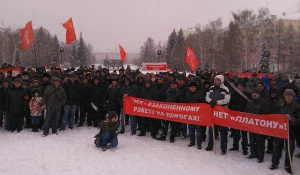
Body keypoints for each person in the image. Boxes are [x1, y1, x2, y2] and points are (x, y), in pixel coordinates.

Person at [270, 89, 300, 174]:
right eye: (287, 95)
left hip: (291, 130)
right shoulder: (279, 104)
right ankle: (275, 163)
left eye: (290, 95)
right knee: (277, 147)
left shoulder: (297, 106)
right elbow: (273, 114)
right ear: (284, 96)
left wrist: (291, 118)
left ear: (293, 97)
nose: (288, 97)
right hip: (280, 129)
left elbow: (299, 120)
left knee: (289, 148)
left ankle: (288, 165)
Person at [205, 75, 231, 155]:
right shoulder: (211, 88)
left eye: (218, 80)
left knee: (223, 131)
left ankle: (223, 148)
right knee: (211, 129)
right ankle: (210, 145)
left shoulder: (225, 89)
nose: (216, 82)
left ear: (221, 81)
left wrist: (217, 102)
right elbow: (207, 97)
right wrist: (211, 101)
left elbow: (227, 100)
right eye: (215, 80)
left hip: (221, 112)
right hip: (212, 111)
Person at [246, 88, 268, 163]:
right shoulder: (249, 101)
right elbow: (247, 112)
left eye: (256, 93)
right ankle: (253, 153)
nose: (254, 94)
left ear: (259, 94)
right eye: (253, 93)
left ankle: (260, 156)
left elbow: (266, 115)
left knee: (260, 141)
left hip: (260, 126)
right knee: (252, 140)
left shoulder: (263, 103)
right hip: (251, 125)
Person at [228, 80, 249, 155]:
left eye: (241, 86)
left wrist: (245, 112)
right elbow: (231, 103)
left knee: (244, 134)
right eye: (238, 86)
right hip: (235, 115)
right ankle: (235, 145)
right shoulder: (234, 93)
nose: (239, 87)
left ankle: (244, 148)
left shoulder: (246, 94)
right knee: (235, 132)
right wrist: (231, 111)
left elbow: (248, 105)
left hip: (243, 116)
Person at [184, 81, 205, 149]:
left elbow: (203, 104)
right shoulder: (187, 94)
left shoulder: (199, 94)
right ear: (189, 88)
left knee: (198, 130)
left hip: (198, 115)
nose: (193, 88)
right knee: (191, 129)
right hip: (190, 115)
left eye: (194, 87)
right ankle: (192, 141)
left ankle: (199, 143)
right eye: (191, 87)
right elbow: (185, 102)